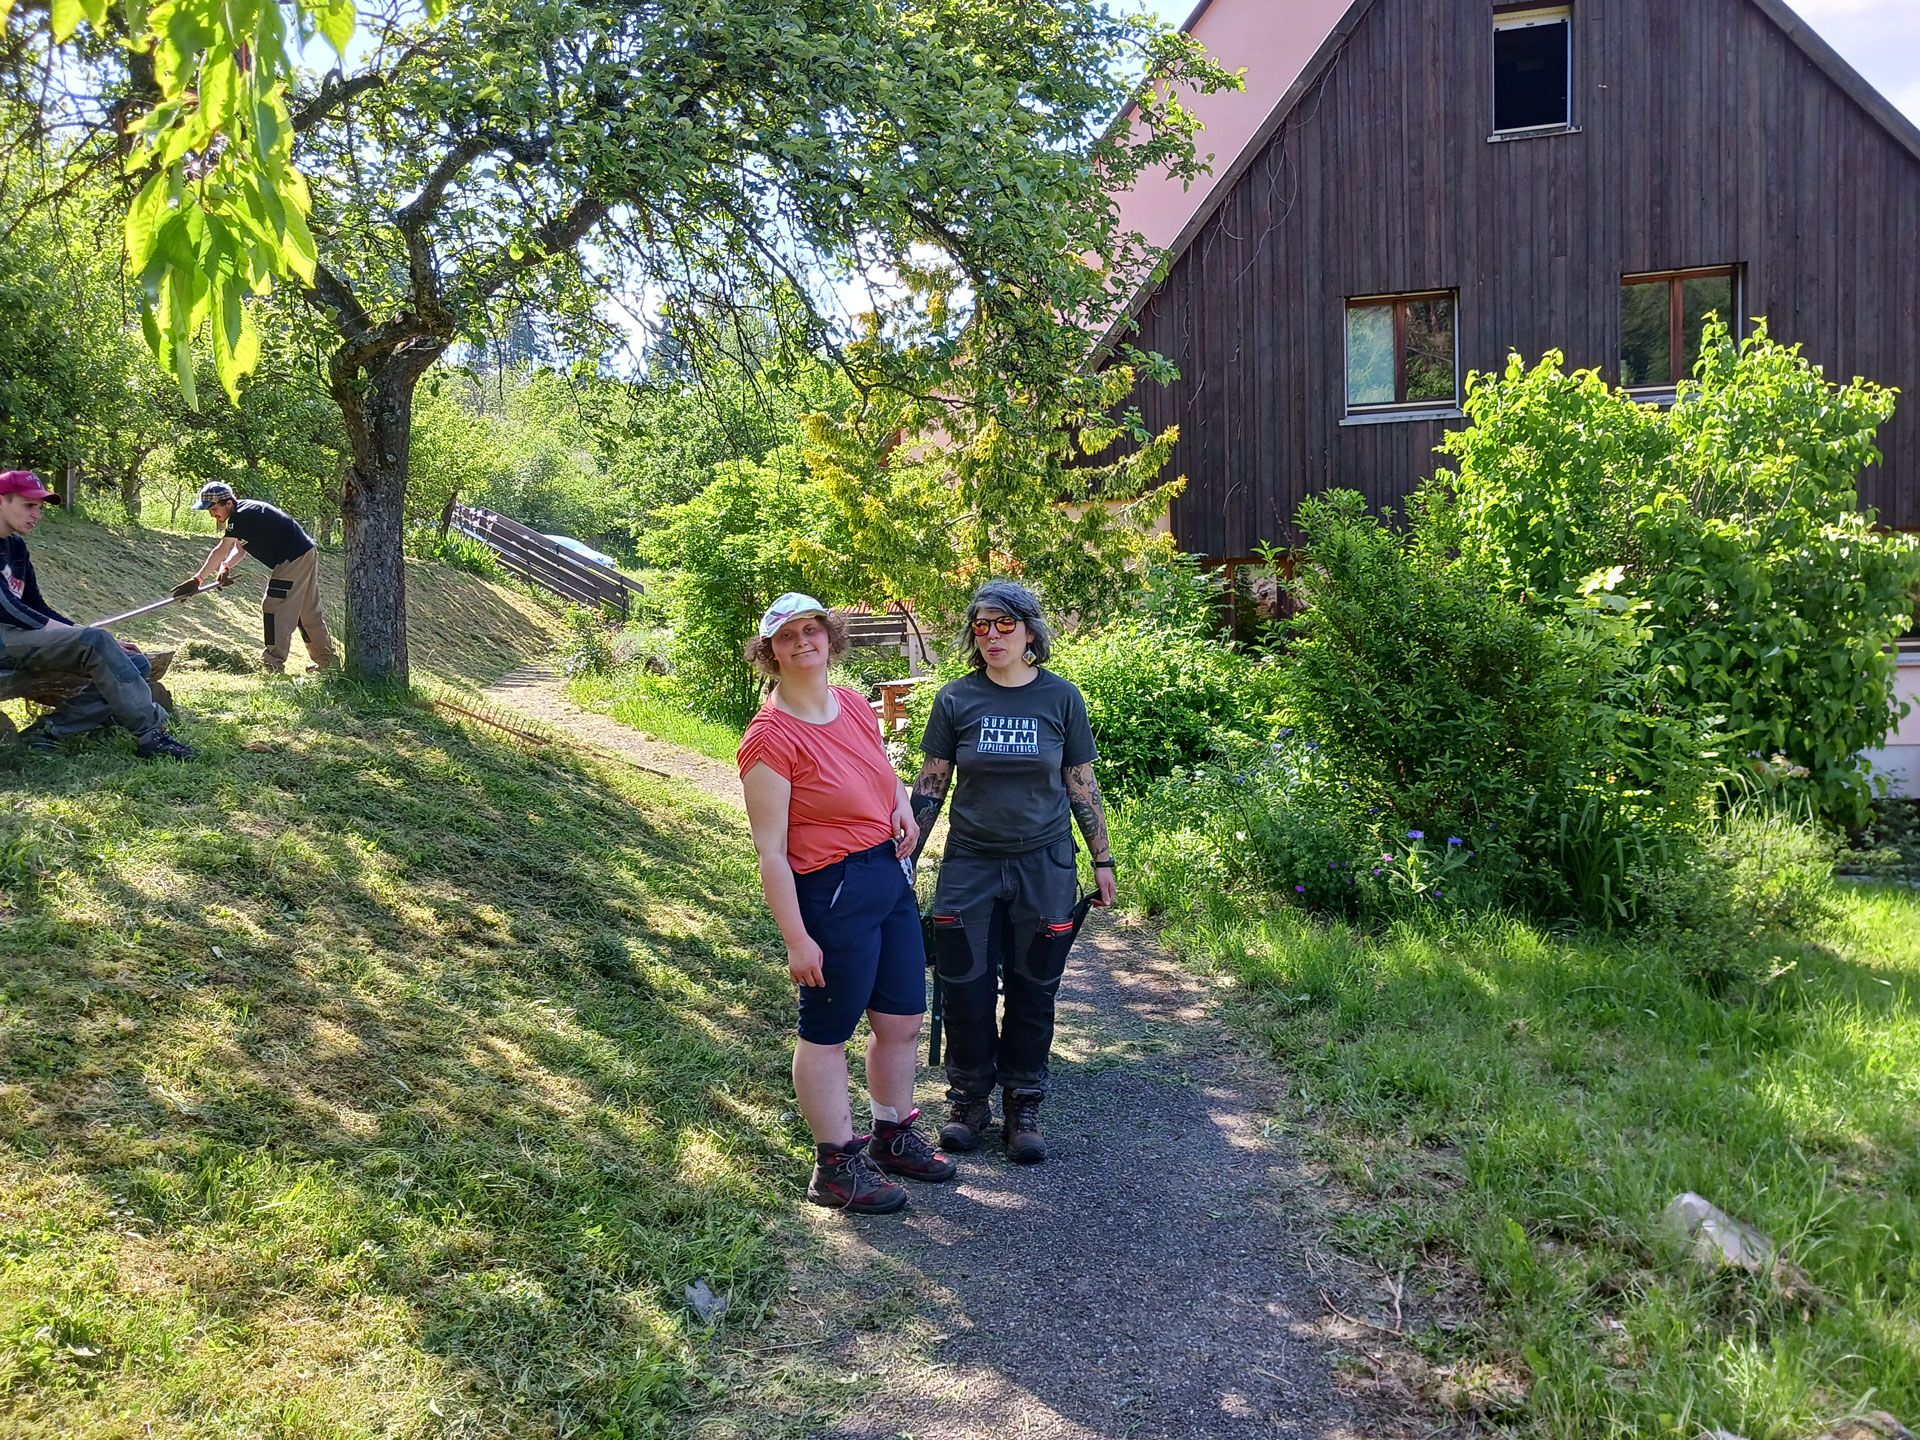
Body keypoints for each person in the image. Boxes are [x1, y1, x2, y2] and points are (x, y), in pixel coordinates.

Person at [737, 592, 957, 1214]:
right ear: (770, 652)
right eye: (788, 636)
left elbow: (881, 772)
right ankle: (835, 1167)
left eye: (813, 630)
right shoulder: (768, 740)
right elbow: (771, 853)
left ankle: (892, 1136)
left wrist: (897, 810)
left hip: (887, 878)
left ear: (831, 638)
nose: (803, 643)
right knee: (828, 1031)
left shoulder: (855, 705)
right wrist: (797, 939)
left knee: (900, 1021)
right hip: (830, 894)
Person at [908, 580, 1117, 1164]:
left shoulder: (1061, 698)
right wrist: (905, 859)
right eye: (982, 625)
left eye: (1005, 624)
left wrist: (1101, 857)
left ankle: (1024, 1102)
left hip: (1045, 863)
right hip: (970, 862)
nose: (992, 635)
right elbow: (931, 784)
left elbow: (1081, 783)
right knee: (964, 984)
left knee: (1034, 986)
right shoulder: (956, 699)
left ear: (1030, 631)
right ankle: (970, 1100)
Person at [0, 470, 195, 759]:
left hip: (17, 638)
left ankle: (49, 730)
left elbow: (36, 605)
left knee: (134, 662)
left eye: (40, 507)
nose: (37, 514)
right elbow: (7, 608)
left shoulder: (16, 546)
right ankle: (153, 736)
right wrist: (86, 637)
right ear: (2, 501)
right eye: (29, 505)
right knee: (96, 642)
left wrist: (81, 633)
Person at [184, 481, 337, 674]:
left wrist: (197, 579)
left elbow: (221, 549)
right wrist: (226, 566)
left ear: (228, 503)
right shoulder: (244, 512)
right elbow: (240, 547)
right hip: (303, 553)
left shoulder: (240, 516)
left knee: (275, 606)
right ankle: (328, 663)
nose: (212, 514)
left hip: (292, 558)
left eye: (214, 508)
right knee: (307, 612)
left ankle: (272, 664)